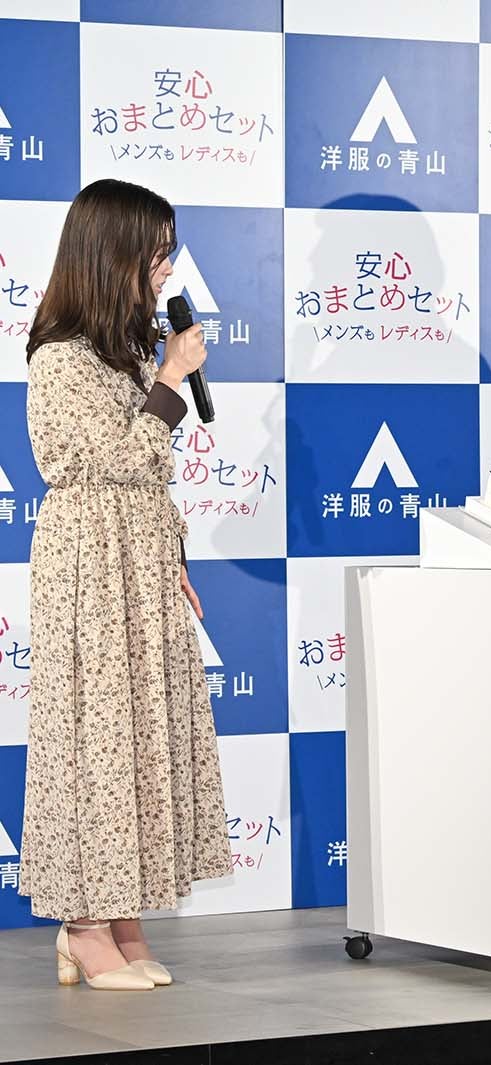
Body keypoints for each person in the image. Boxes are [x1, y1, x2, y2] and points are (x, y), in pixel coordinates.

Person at [20, 178, 229, 988]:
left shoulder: (129, 350)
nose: (166, 268)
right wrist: (172, 380)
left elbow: (150, 474)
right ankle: (82, 925)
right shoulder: (60, 357)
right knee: (94, 736)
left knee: (142, 733)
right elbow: (117, 456)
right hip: (90, 567)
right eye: (155, 252)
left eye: (168, 251)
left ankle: (124, 912)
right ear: (113, 254)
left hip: (140, 558)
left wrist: (172, 556)